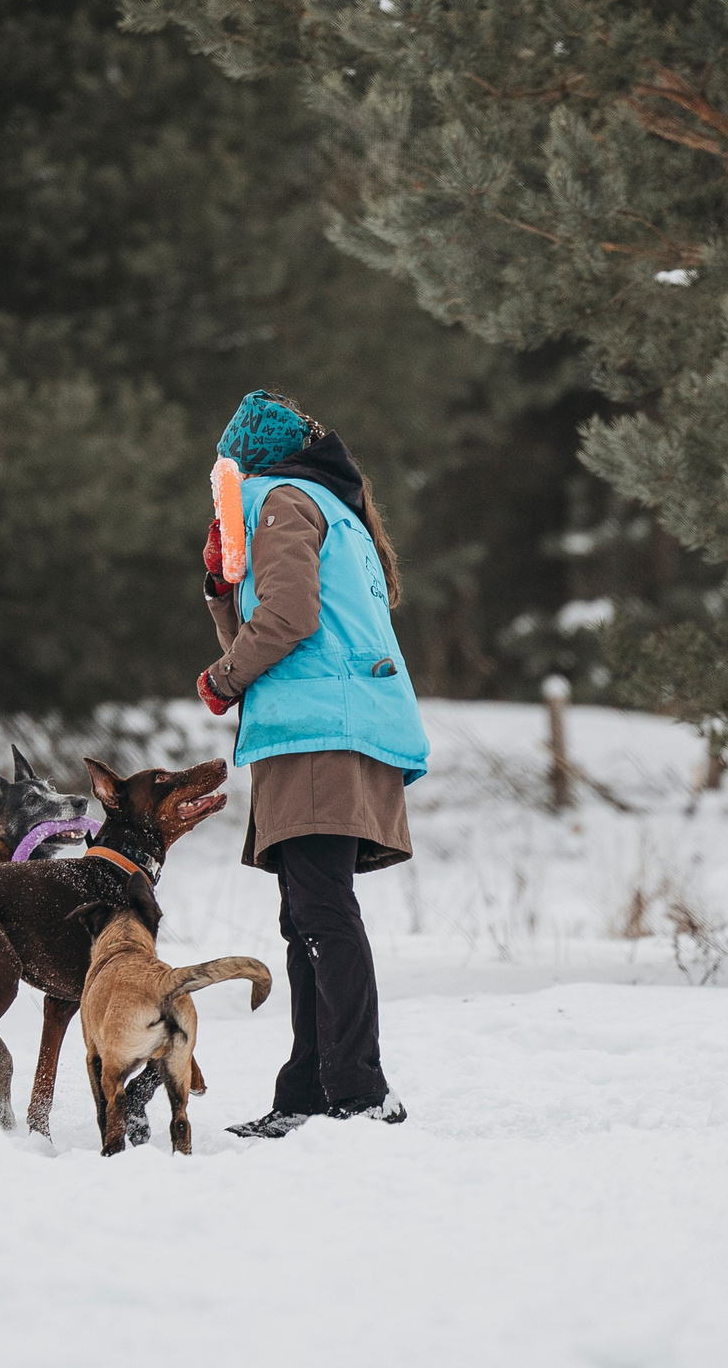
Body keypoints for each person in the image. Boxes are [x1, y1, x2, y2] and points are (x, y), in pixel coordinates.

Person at [196, 390, 429, 1137]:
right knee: (308, 915)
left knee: (321, 912)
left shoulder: (275, 499)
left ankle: (358, 1092)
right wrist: (219, 587)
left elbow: (289, 620)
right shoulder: (336, 510)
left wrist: (222, 677)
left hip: (316, 727)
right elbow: (294, 612)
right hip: (342, 720)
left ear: (245, 461)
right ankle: (308, 1093)